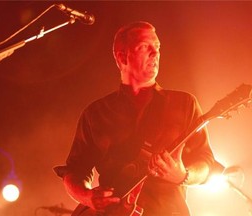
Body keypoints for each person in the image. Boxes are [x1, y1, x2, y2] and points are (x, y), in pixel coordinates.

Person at [54, 21, 215, 216]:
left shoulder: (184, 103)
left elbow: (206, 163)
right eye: (145, 47)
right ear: (122, 57)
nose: (155, 54)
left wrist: (183, 175)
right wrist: (87, 197)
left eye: (157, 47)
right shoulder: (95, 113)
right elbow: (74, 171)